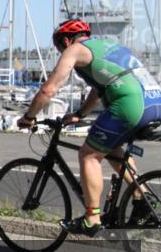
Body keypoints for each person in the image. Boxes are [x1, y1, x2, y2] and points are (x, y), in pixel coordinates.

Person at [17, 19, 161, 235]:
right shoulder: (109, 46)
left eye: (58, 48)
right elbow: (99, 88)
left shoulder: (74, 50)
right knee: (111, 147)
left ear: (65, 41)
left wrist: (29, 117)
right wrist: (80, 114)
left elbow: (49, 89)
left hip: (131, 104)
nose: (60, 52)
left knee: (88, 155)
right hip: (154, 101)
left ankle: (92, 218)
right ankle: (143, 196)